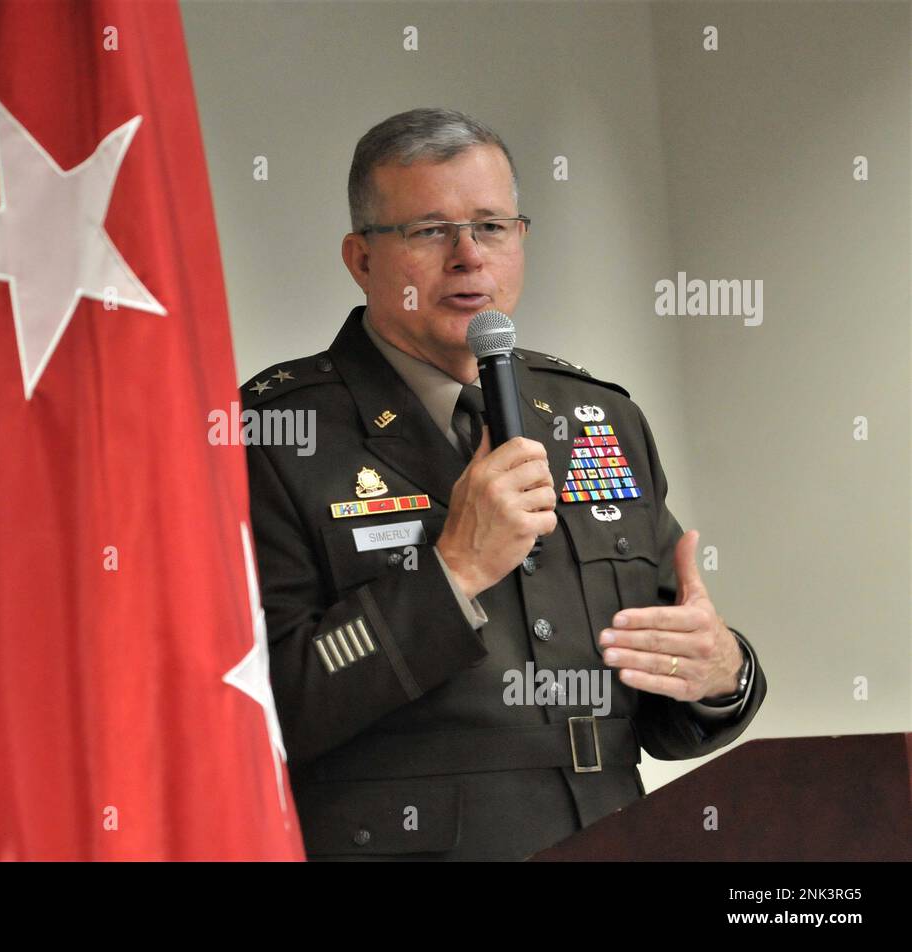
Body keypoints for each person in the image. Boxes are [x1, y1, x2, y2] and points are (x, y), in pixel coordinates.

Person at [240, 108, 766, 861]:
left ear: (522, 240)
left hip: (612, 835)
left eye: (491, 226)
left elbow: (659, 702)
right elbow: (258, 710)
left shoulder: (596, 417)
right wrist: (453, 574)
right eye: (429, 230)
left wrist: (718, 671)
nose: (468, 258)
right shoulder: (272, 436)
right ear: (360, 260)